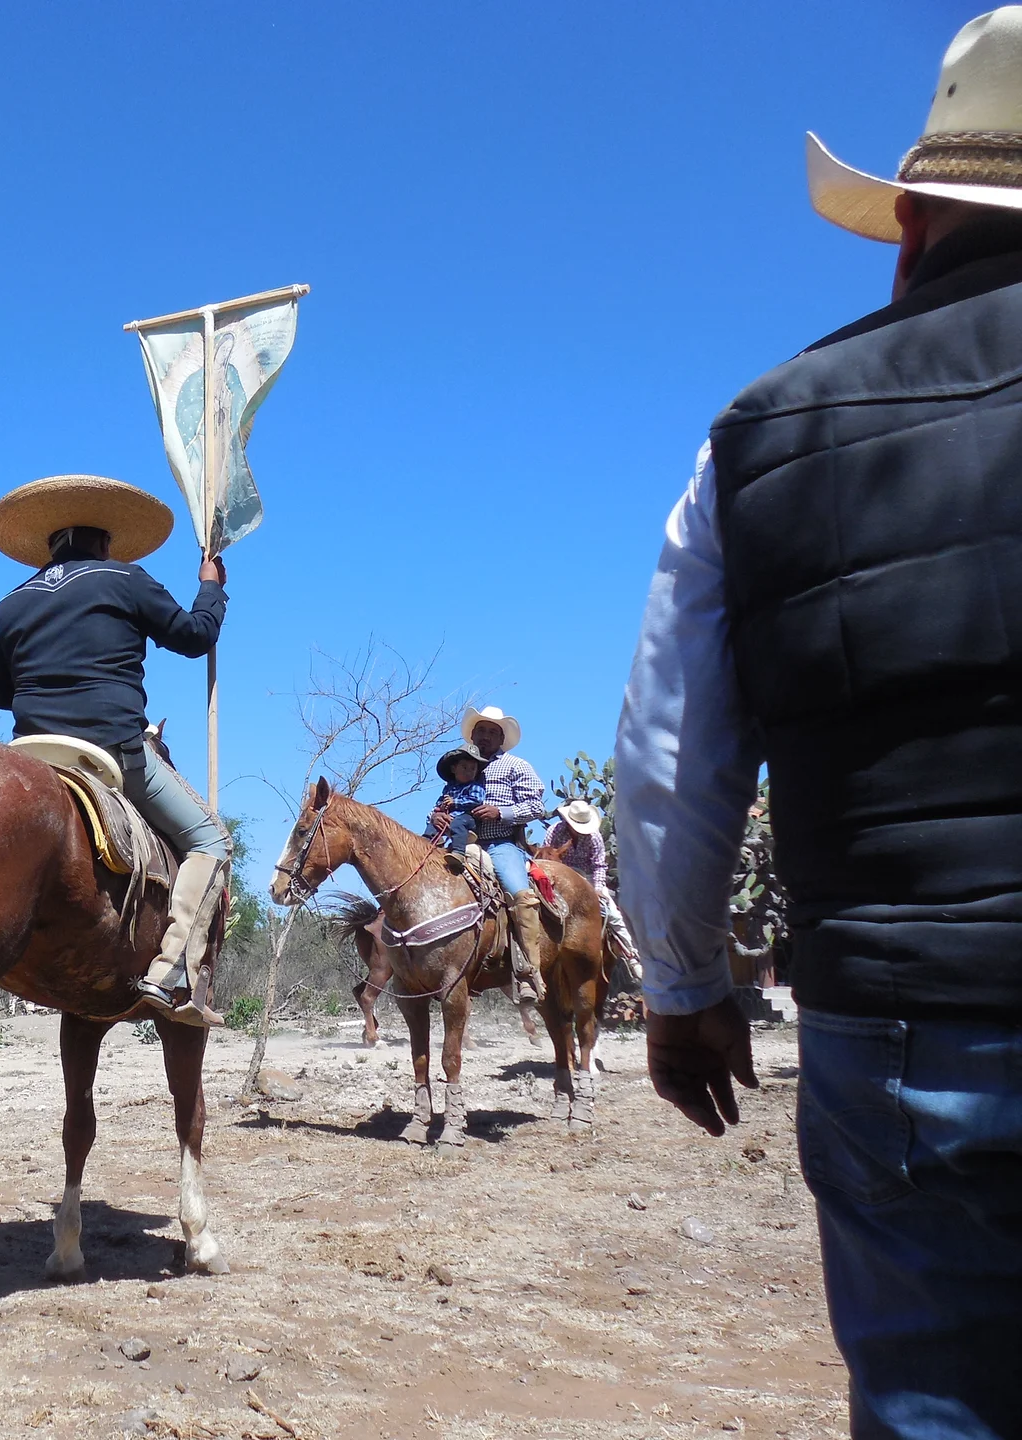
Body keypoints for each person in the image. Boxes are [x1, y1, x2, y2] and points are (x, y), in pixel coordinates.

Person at [614, 12, 1022, 1432]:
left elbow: (669, 757)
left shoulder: (759, 429)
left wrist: (679, 983)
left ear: (907, 223)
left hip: (911, 1018)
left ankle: (174, 942)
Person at [0, 473, 231, 1026]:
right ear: (105, 541)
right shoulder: (124, 580)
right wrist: (211, 587)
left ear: (48, 545)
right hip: (113, 752)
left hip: (31, 753)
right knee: (211, 840)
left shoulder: (12, 602)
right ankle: (171, 971)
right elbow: (194, 636)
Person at [447, 705, 548, 1000]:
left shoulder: (516, 766)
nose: (486, 736)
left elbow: (537, 806)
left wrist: (501, 812)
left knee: (520, 895)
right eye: (481, 730)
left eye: (493, 732)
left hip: (501, 844)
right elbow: (447, 801)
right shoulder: (461, 764)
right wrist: (438, 815)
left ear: (501, 739)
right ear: (473, 734)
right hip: (463, 843)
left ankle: (529, 972)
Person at [545, 799, 640, 980]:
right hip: (559, 878)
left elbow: (598, 865)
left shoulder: (594, 837)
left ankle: (631, 955)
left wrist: (597, 889)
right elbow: (547, 858)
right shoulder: (554, 832)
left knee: (613, 914)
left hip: (587, 878)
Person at [424, 745, 487, 854]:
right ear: (454, 769)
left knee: (458, 823)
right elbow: (441, 800)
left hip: (467, 818)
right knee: (433, 822)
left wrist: (455, 803)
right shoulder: (449, 787)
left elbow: (477, 800)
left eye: (473, 769)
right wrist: (441, 807)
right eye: (464, 767)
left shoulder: (475, 786)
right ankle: (428, 840)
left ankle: (458, 852)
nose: (469, 772)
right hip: (449, 817)